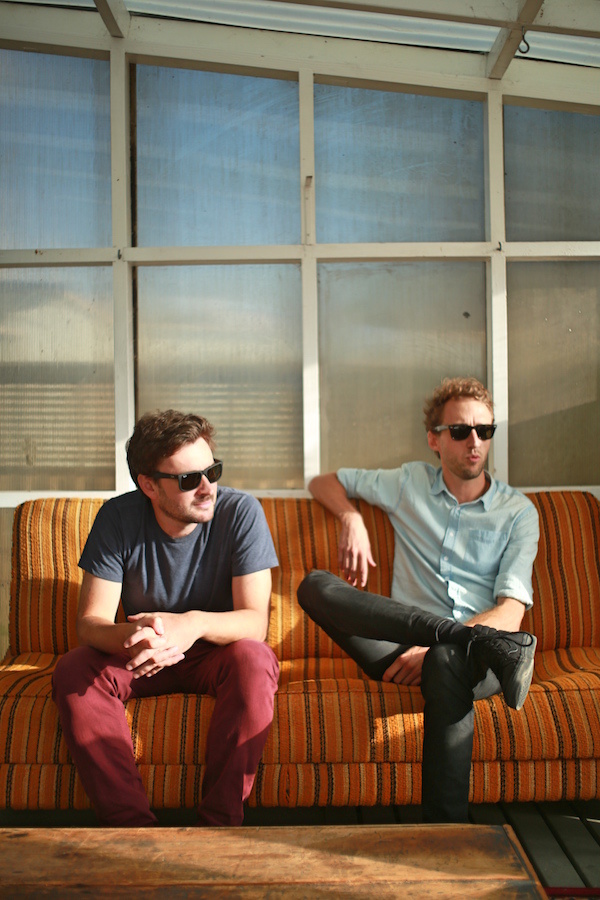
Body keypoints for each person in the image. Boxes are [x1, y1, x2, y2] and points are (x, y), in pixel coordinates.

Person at [297, 376, 539, 823]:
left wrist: (436, 649)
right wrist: (351, 518)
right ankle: (451, 639)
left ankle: (445, 833)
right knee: (313, 585)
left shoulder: (518, 513)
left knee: (446, 658)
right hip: (401, 648)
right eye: (460, 431)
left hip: (475, 659)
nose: (474, 442)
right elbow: (323, 481)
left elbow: (511, 612)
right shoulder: (409, 482)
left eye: (485, 431)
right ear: (434, 439)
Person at [52, 410, 279, 827]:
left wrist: (192, 624)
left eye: (213, 471)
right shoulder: (117, 518)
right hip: (142, 656)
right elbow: (91, 624)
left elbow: (254, 623)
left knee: (255, 658)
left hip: (213, 654)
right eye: (190, 479)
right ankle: (133, 832)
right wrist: (139, 633)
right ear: (149, 486)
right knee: (74, 669)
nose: (207, 488)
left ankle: (219, 827)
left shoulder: (241, 512)